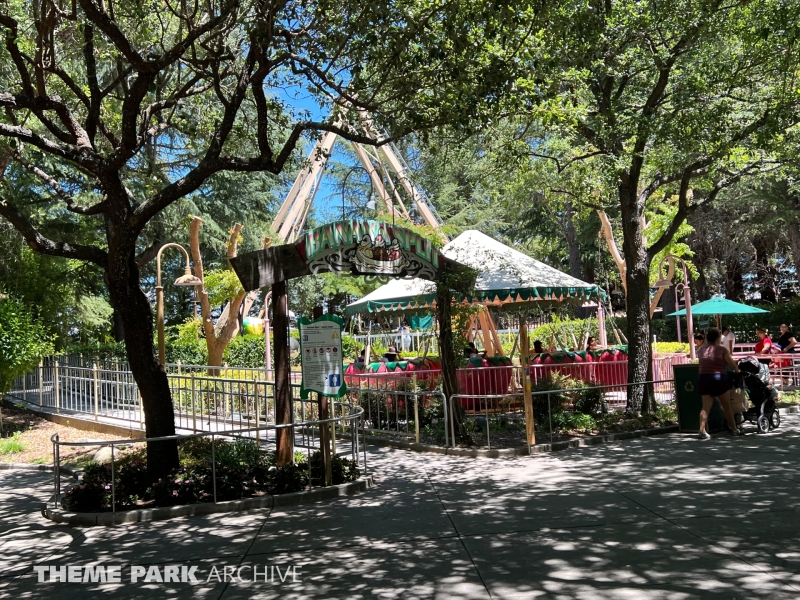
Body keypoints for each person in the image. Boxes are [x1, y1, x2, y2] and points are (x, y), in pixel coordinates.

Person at [697, 328, 741, 440]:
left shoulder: (701, 350)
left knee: (705, 407)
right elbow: (732, 365)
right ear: (718, 338)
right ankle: (734, 429)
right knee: (726, 406)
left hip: (704, 378)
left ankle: (702, 431)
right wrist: (737, 371)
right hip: (719, 379)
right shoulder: (722, 350)